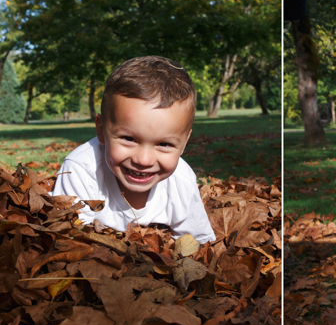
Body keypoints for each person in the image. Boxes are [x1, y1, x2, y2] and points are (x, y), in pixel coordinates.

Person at [52, 56, 216, 244]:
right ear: (102, 131)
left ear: (184, 143)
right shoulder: (81, 169)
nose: (144, 160)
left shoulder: (182, 181)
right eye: (128, 139)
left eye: (164, 144)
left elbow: (198, 243)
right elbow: (69, 236)